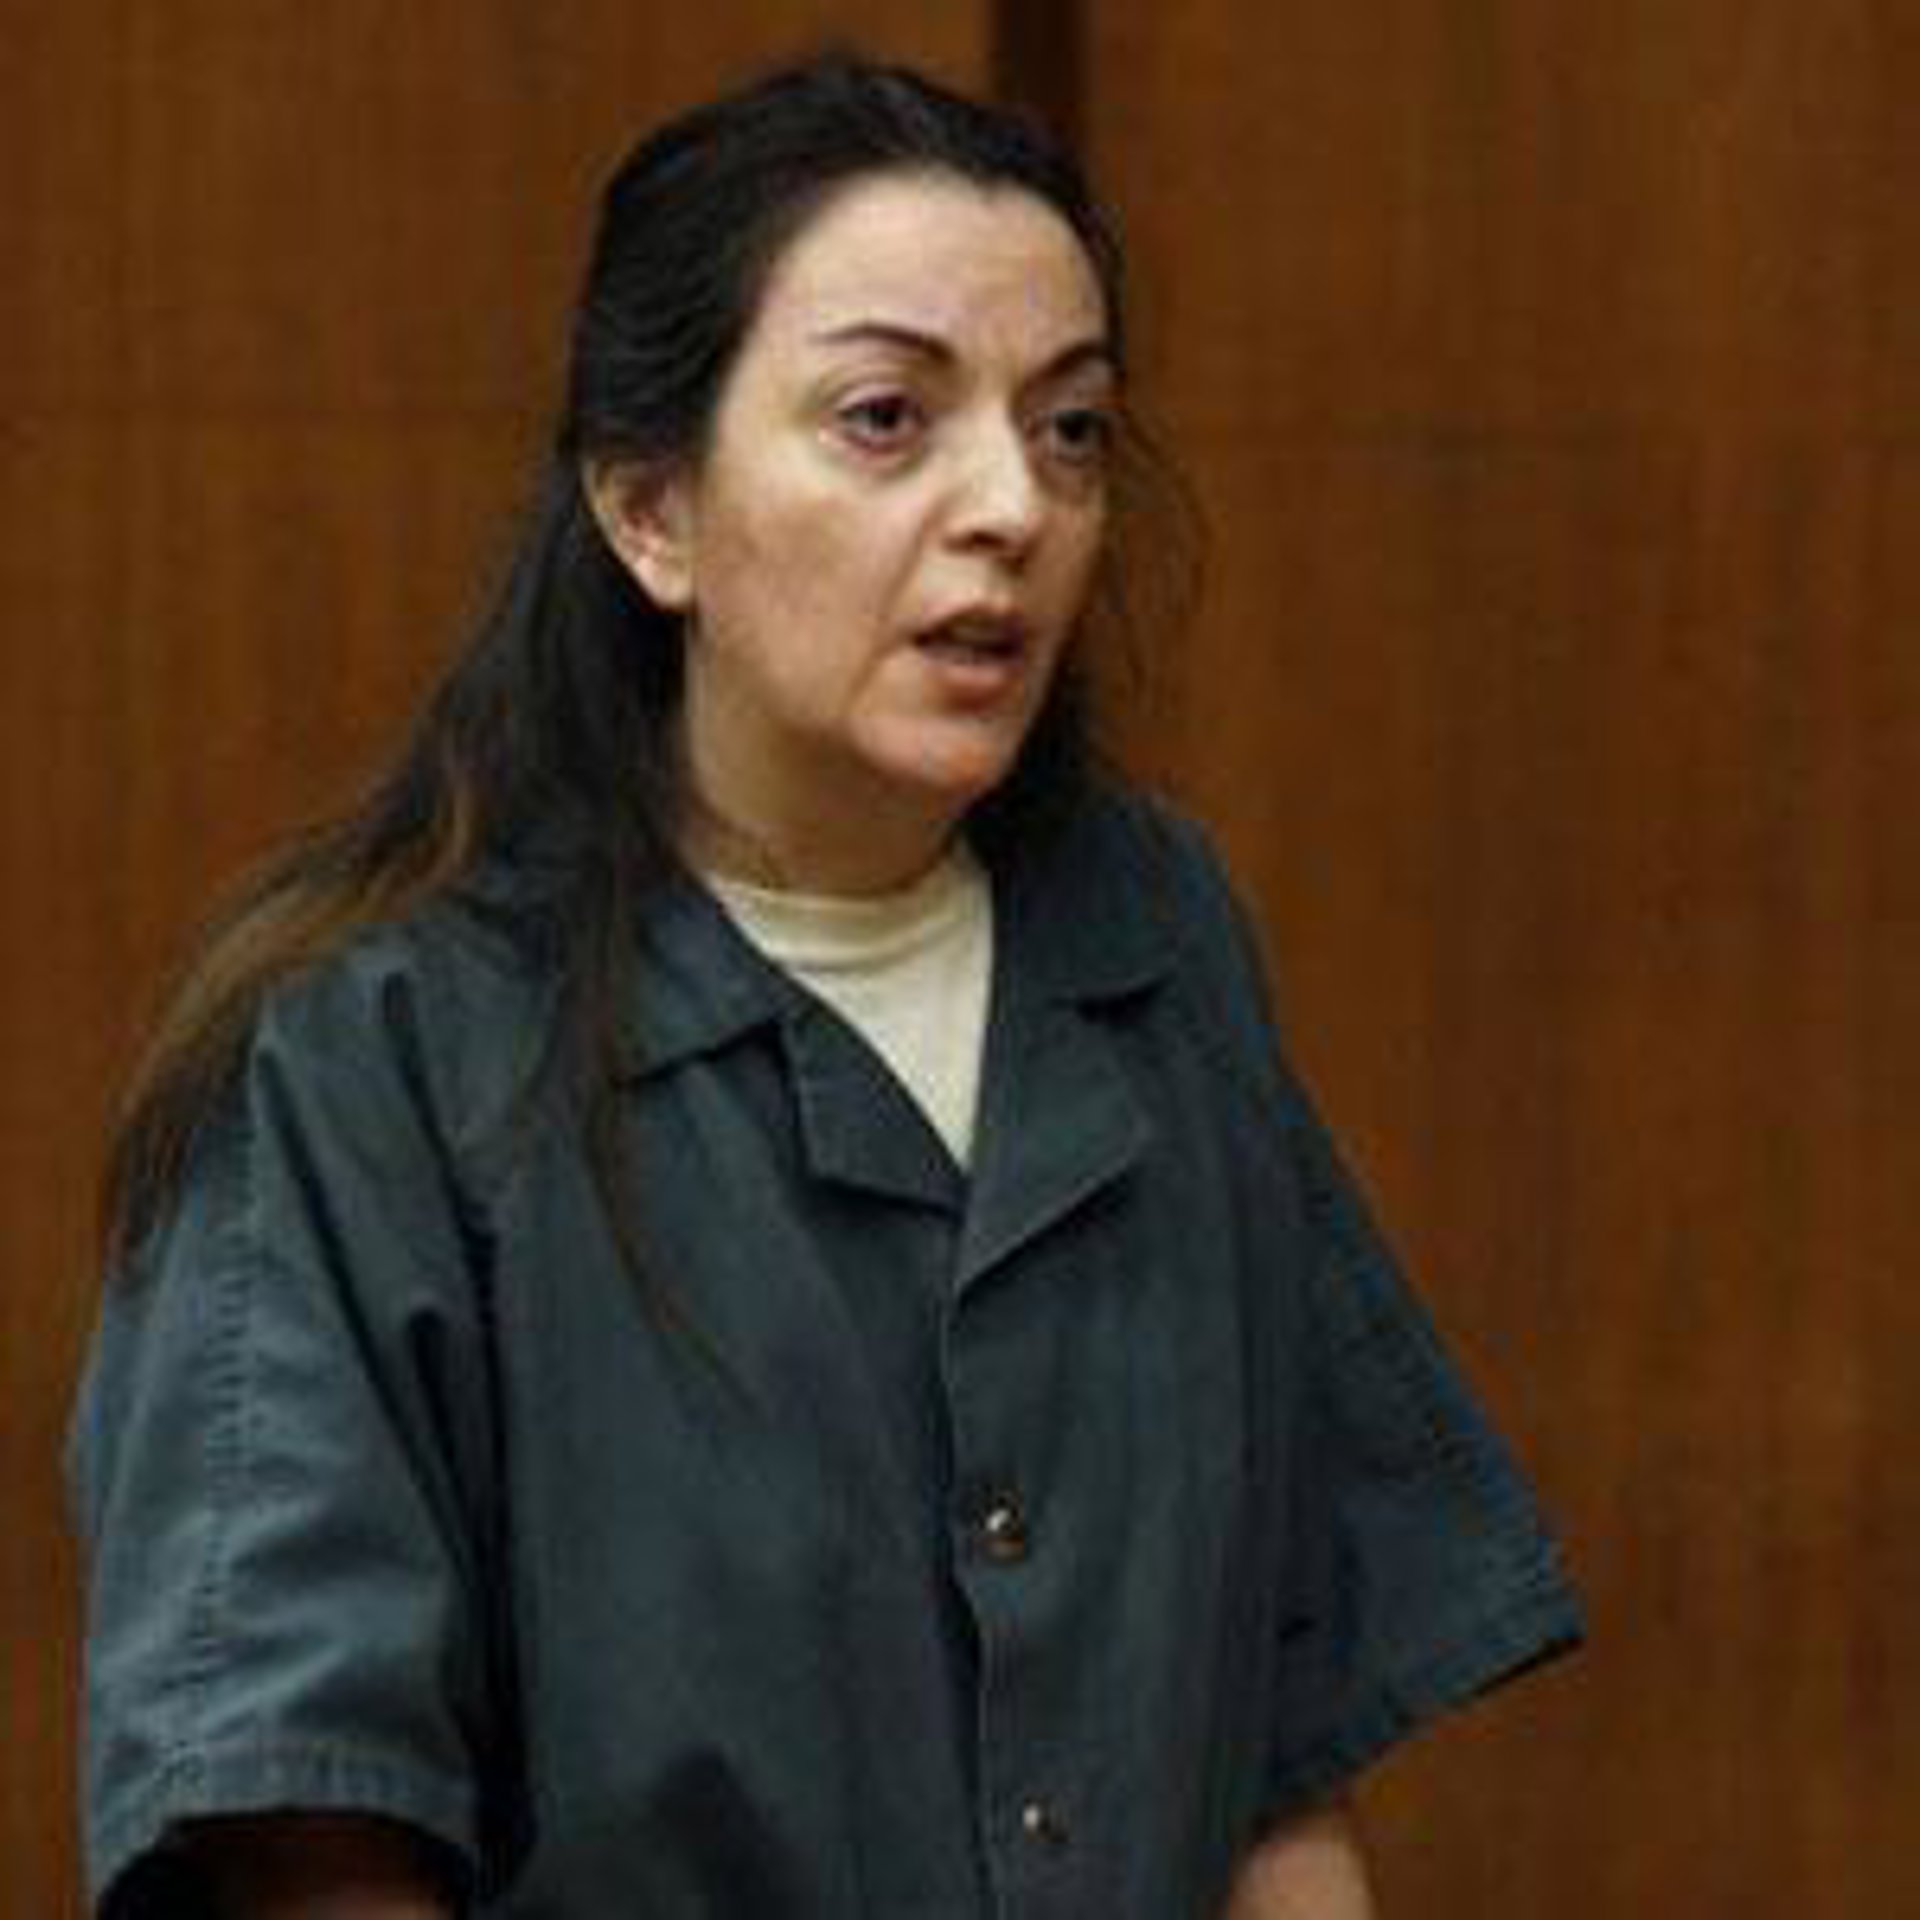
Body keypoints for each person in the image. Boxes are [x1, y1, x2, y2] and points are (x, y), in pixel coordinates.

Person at [69, 50, 1583, 1920]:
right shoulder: (362, 1056)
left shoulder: (1156, 941)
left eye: (1072, 429)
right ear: (651, 507)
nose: (1012, 504)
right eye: (887, 418)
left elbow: (1281, 1757)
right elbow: (306, 1836)